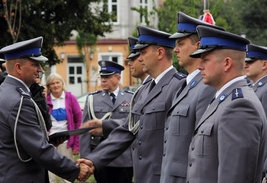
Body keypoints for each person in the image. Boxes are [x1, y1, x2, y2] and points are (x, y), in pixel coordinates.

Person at [78, 25, 186, 183]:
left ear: (160, 53)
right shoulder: (144, 90)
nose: (139, 58)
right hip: (143, 175)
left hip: (164, 176)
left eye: (143, 53)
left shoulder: (179, 86)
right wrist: (93, 160)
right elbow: (128, 130)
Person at [0, 36, 92, 183]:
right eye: (35, 64)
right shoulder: (19, 101)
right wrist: (75, 169)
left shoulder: (2, 93)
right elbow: (38, 149)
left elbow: (13, 140)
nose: (40, 69)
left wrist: (49, 142)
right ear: (19, 67)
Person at [186, 25, 267, 183]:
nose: (199, 65)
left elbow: (235, 176)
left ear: (227, 63)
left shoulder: (240, 107)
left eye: (205, 60)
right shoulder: (224, 98)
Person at [160, 11, 224, 183]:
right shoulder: (184, 86)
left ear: (198, 45)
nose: (175, 49)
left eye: (181, 43)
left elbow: (202, 150)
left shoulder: (206, 88)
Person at [80, 60, 134, 183]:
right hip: (101, 157)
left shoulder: (131, 97)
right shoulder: (93, 99)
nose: (103, 80)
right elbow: (85, 130)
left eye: (107, 77)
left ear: (118, 78)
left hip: (124, 157)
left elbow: (131, 123)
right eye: (102, 77)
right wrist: (85, 159)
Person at [46, 72, 83, 183]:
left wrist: (76, 144)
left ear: (62, 84)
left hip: (66, 141)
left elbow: (78, 120)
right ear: (49, 87)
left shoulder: (70, 98)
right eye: (52, 83)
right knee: (49, 174)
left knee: (66, 173)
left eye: (58, 82)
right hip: (49, 141)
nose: (55, 85)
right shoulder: (45, 100)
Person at [244, 44, 267, 180]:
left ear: (264, 64)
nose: (246, 65)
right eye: (245, 61)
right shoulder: (255, 87)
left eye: (251, 62)